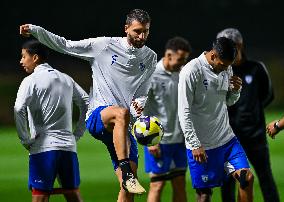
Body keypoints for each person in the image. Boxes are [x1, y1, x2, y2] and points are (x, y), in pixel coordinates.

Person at [19, 9, 157, 201]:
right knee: (122, 115)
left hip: (122, 128)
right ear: (126, 29)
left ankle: (127, 176)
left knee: (127, 191)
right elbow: (65, 45)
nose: (142, 36)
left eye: (146, 31)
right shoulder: (104, 45)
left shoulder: (150, 57)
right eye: (137, 31)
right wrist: (36, 30)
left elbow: (143, 92)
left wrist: (139, 104)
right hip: (98, 116)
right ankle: (125, 169)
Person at [178, 37, 254, 202]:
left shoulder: (225, 67)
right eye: (223, 65)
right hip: (202, 146)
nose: (226, 69)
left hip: (227, 140)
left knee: (246, 179)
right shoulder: (191, 71)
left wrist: (235, 91)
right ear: (213, 55)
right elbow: (183, 111)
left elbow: (228, 101)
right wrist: (195, 144)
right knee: (204, 196)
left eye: (229, 66)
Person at [14, 40, 89, 202]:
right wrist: (77, 133)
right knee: (73, 193)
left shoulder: (30, 81)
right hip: (68, 147)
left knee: (40, 196)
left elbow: (19, 109)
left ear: (35, 58)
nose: (21, 61)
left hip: (43, 148)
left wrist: (25, 140)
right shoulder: (66, 79)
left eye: (23, 56)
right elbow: (86, 102)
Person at [217, 28, 280, 202]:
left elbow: (268, 95)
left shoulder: (256, 68)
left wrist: (251, 113)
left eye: (232, 45)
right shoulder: (217, 72)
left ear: (240, 45)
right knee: (227, 182)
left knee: (265, 178)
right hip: (227, 137)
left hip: (255, 136)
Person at [143, 36, 191, 202]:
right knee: (157, 184)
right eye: (180, 59)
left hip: (180, 141)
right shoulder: (151, 76)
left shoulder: (184, 74)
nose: (183, 63)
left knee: (179, 183)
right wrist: (150, 141)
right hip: (159, 141)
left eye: (185, 59)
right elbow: (142, 110)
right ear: (168, 55)